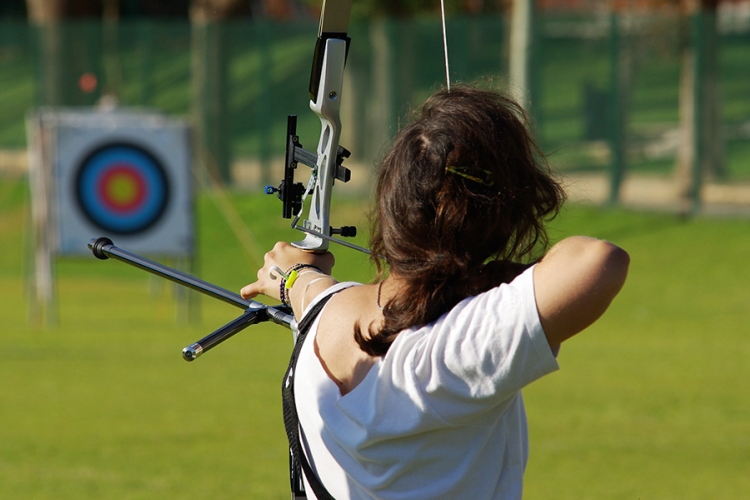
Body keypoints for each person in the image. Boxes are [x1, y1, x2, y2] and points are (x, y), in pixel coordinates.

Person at [241, 85, 629, 499]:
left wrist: (292, 277)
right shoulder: (453, 351)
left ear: (391, 200)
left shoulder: (322, 312)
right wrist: (496, 276)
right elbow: (599, 261)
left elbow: (308, 288)